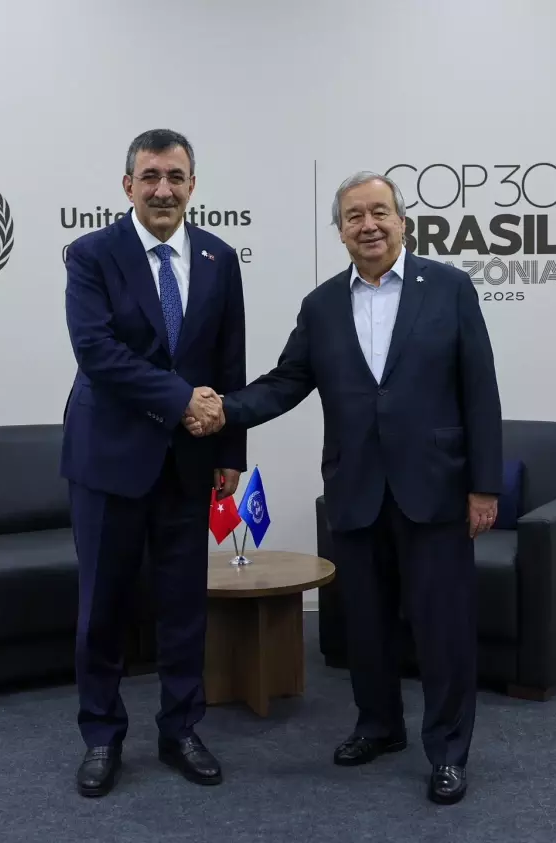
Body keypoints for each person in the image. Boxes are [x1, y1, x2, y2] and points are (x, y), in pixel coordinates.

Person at [186, 171, 502, 806]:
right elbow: (286, 382)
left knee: (442, 628)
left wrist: (484, 486)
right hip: (355, 487)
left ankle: (447, 751)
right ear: (340, 231)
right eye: (354, 216)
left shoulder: (450, 288)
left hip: (435, 488)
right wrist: (224, 411)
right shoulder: (322, 304)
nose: (368, 225)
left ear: (402, 221)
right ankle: (379, 726)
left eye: (379, 212)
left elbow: (480, 389)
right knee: (366, 623)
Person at [60, 128, 246, 798]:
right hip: (108, 458)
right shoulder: (91, 254)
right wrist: (181, 399)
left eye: (175, 177)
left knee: (183, 606)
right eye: (150, 177)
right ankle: (101, 736)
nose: (163, 189)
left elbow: (229, 358)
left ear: (193, 185)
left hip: (189, 461)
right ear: (128, 185)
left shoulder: (220, 257)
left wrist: (230, 449)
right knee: (102, 607)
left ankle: (181, 729)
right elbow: (98, 353)